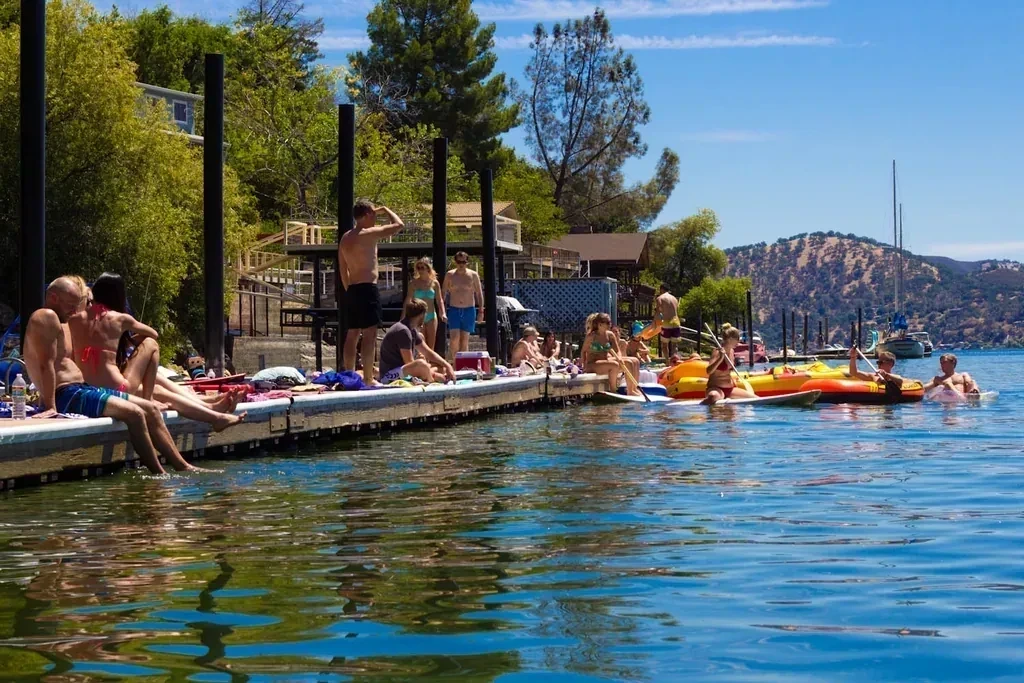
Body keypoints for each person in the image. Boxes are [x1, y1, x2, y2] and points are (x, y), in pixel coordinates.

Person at [23, 277, 202, 474]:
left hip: (80, 389)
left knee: (150, 408)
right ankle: (160, 474)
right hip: (68, 394)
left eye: (77, 305)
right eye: (70, 306)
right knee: (135, 414)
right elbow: (44, 364)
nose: (74, 311)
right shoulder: (45, 316)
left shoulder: (62, 321)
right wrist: (50, 406)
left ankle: (183, 466)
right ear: (53, 297)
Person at [69, 273, 245, 432]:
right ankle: (211, 414)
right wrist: (131, 339)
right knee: (151, 346)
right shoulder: (119, 318)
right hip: (116, 387)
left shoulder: (74, 321)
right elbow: (153, 334)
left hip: (86, 387)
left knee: (158, 382)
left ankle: (206, 403)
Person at [339, 201, 405, 385]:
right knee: (369, 333)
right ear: (367, 214)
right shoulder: (368, 234)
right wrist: (386, 209)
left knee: (352, 333)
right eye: (374, 214)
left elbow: (342, 268)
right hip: (368, 288)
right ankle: (368, 378)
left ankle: (349, 375)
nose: (376, 218)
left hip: (352, 289)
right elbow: (399, 225)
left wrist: (348, 290)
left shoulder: (345, 237)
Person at [378, 299, 456, 384]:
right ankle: (431, 381)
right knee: (421, 364)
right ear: (421, 315)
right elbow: (410, 363)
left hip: (403, 371)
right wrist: (434, 375)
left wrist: (447, 365)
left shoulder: (411, 330)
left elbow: (428, 353)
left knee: (441, 367)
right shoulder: (403, 331)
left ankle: (429, 377)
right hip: (389, 375)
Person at [583, 313, 640, 396]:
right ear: (600, 324)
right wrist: (584, 365)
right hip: (593, 364)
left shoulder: (610, 335)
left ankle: (632, 390)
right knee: (614, 365)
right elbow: (583, 351)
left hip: (605, 361)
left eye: (610, 323)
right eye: (608, 323)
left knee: (633, 361)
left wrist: (619, 358)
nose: (610, 325)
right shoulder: (591, 336)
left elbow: (617, 351)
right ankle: (613, 390)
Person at [442, 251, 484, 361]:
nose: (461, 264)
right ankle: (454, 363)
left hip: (469, 309)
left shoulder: (473, 275)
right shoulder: (450, 275)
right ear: (455, 262)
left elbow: (479, 293)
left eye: (464, 262)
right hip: (454, 309)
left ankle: (463, 364)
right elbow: (443, 293)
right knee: (454, 338)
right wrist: (442, 310)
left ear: (467, 262)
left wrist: (481, 311)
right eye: (459, 262)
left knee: (465, 339)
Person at [704, 326, 757, 404]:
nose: (738, 341)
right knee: (713, 396)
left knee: (755, 399)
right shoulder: (717, 351)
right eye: (737, 338)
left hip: (730, 389)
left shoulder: (732, 351)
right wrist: (721, 358)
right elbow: (709, 371)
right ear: (730, 339)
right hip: (716, 389)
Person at [404, 258, 446, 352]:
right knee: (421, 344)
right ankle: (422, 363)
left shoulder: (435, 283)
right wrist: (403, 316)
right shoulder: (413, 283)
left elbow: (440, 300)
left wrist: (442, 313)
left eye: (422, 267)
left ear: (428, 268)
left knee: (431, 345)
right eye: (418, 268)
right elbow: (408, 300)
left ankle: (429, 364)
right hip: (418, 317)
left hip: (431, 316)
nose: (420, 270)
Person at [655, 284, 681, 359]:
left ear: (661, 289)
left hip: (667, 323)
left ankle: (667, 361)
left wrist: (655, 323)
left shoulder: (660, 298)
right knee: (675, 345)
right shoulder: (674, 298)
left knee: (664, 345)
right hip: (676, 322)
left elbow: (658, 311)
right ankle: (675, 360)